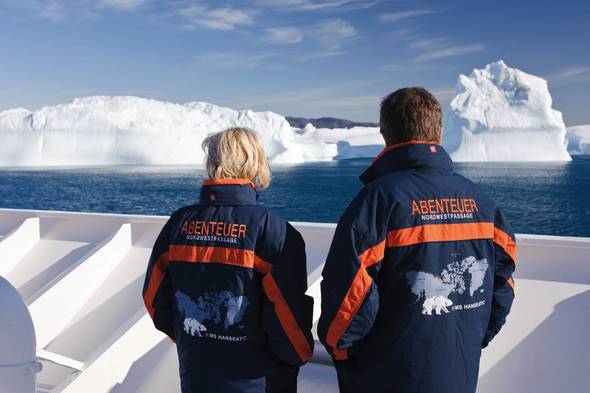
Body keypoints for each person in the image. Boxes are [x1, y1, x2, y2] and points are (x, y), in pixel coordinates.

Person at [318, 87, 516, 393]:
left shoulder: (377, 201)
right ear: (438, 132)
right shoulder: (483, 203)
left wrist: (344, 354)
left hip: (384, 375)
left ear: (385, 134)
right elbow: (503, 284)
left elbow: (348, 296)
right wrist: (472, 337)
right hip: (458, 372)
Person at [143, 127, 314, 393]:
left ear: (212, 162)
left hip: (197, 373)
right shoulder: (273, 230)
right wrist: (298, 356)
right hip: (260, 380)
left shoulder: (179, 224)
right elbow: (287, 316)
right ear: (255, 162)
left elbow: (154, 297)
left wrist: (192, 338)